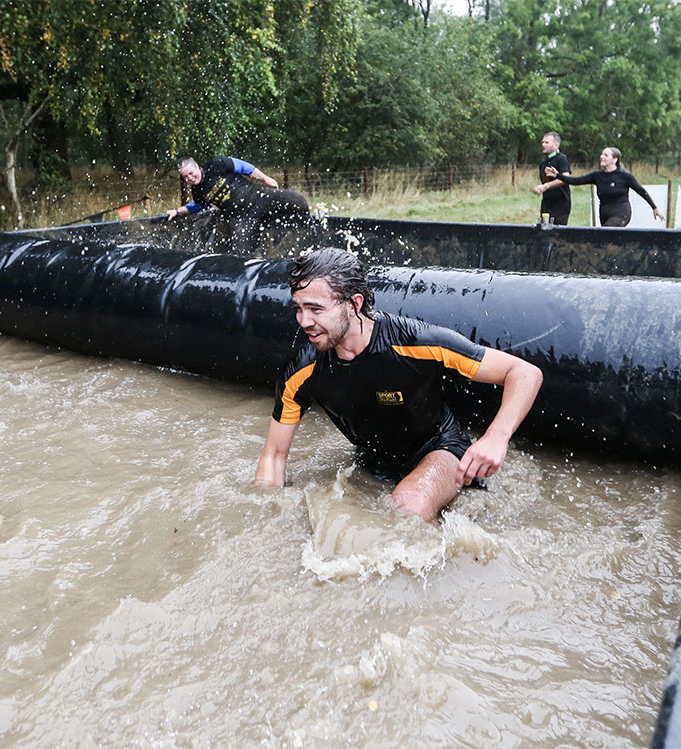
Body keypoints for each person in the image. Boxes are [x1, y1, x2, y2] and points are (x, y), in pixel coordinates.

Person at [254, 248, 543, 523]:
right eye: (298, 309)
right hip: (373, 461)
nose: (304, 321)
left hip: (440, 449)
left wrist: (496, 438)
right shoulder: (302, 370)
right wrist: (265, 518)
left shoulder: (416, 342)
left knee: (406, 507)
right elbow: (274, 455)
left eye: (315, 309)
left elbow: (525, 372)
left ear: (354, 304)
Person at [166, 156, 309, 252]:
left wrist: (265, 178)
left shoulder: (216, 164)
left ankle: (308, 236)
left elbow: (243, 167)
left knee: (298, 200)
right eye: (185, 177)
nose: (190, 178)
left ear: (197, 166)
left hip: (258, 197)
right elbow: (199, 206)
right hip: (240, 217)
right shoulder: (197, 191)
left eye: (191, 173)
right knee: (242, 251)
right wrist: (177, 211)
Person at [546, 147, 665, 227]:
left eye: (606, 155)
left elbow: (641, 190)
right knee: (609, 242)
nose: (601, 157)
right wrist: (558, 175)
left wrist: (654, 207)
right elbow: (576, 181)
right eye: (601, 154)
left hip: (621, 213)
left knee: (606, 234)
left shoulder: (625, 176)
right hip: (604, 214)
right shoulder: (597, 175)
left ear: (615, 159)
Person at [532, 131, 571, 225]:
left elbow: (566, 177)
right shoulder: (543, 164)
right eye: (542, 142)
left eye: (546, 142)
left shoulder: (561, 158)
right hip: (546, 205)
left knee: (557, 236)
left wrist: (545, 186)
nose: (543, 144)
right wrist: (539, 188)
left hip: (561, 205)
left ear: (556, 145)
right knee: (544, 234)